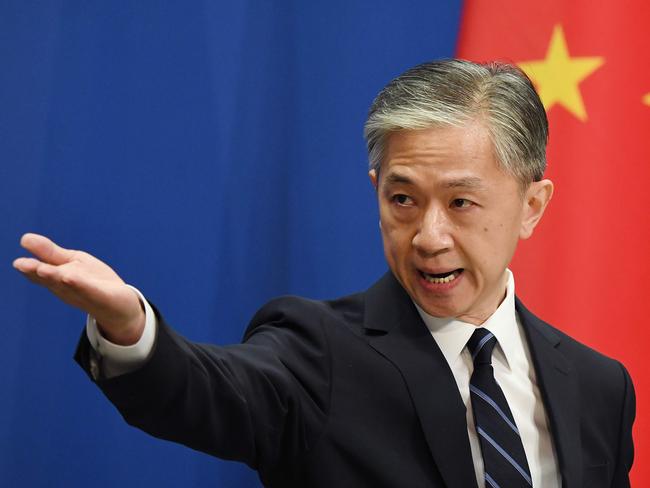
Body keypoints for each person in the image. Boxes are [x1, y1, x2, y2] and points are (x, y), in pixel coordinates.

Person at [13, 59, 634, 488]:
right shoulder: (318, 351)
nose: (428, 236)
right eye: (402, 199)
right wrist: (130, 329)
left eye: (461, 203)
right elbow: (209, 390)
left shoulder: (599, 388)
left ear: (531, 206)